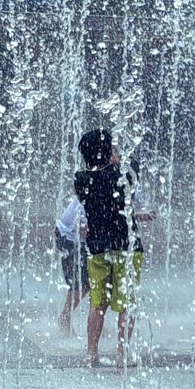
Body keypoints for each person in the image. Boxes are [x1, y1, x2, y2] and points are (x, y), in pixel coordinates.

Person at [74, 128, 144, 368]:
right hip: (127, 246)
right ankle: (122, 355)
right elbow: (132, 180)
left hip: (98, 248)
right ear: (109, 152)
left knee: (98, 303)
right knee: (126, 303)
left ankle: (91, 353)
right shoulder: (123, 174)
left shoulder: (81, 179)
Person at [55, 197, 88, 336]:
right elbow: (84, 228)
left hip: (74, 237)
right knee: (81, 282)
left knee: (90, 281)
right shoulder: (93, 194)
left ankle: (95, 321)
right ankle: (65, 317)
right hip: (68, 238)